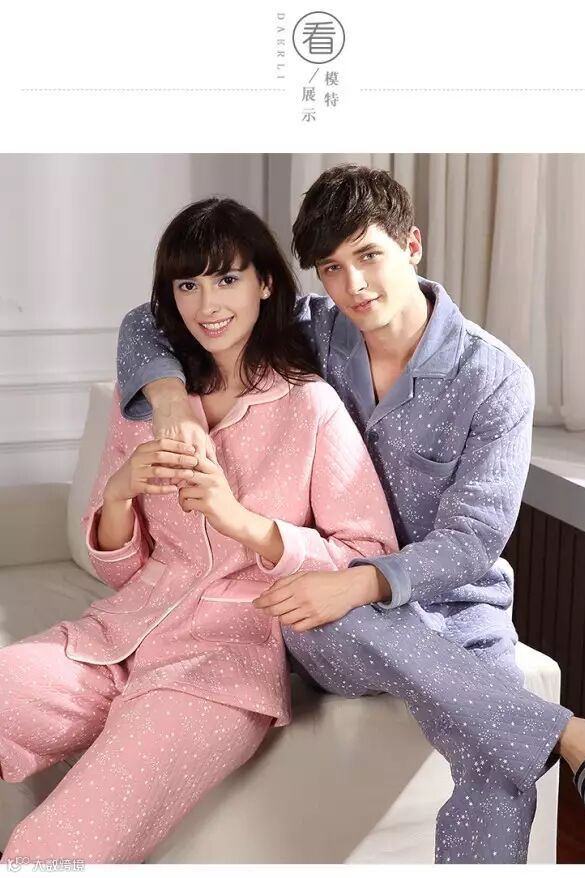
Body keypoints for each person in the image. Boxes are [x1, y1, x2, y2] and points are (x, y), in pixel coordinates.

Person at [115, 165, 585, 864]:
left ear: (411, 245)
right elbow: (147, 320)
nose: (354, 285)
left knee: (497, 769)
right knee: (321, 616)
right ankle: (577, 737)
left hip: (459, 607)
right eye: (332, 268)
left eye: (368, 256)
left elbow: (474, 540)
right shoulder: (310, 333)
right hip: (333, 608)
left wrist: (365, 581)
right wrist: (170, 401)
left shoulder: (496, 378)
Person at [0, 196, 400, 864]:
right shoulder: (150, 405)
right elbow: (121, 570)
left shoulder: (310, 407)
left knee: (52, 846)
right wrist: (121, 492)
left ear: (264, 283)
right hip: (114, 639)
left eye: (227, 279)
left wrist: (240, 520)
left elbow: (368, 553)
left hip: (221, 670)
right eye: (188, 285)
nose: (207, 304)